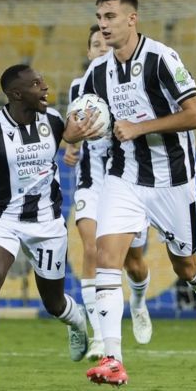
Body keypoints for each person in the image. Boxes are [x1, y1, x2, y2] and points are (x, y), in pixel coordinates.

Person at [69, 0, 196, 386]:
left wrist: (140, 127)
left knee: (185, 264)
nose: (103, 25)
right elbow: (82, 124)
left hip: (172, 179)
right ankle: (113, 359)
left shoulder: (161, 59)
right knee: (106, 255)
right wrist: (76, 133)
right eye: (99, 18)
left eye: (110, 17)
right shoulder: (97, 72)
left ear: (131, 19)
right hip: (125, 177)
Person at [0, 64, 101, 391]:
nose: (45, 87)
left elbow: (75, 137)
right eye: (36, 84)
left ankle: (76, 323)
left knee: (54, 303)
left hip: (47, 224)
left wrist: (88, 129)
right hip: (0, 220)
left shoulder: (54, 120)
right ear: (17, 94)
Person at [64, 24, 153, 361]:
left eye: (105, 44)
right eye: (94, 45)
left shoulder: (129, 86)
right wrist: (70, 145)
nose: (101, 49)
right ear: (88, 53)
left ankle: (139, 302)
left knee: (134, 262)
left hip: (127, 179)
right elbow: (69, 132)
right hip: (91, 179)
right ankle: (101, 336)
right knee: (91, 249)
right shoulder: (79, 88)